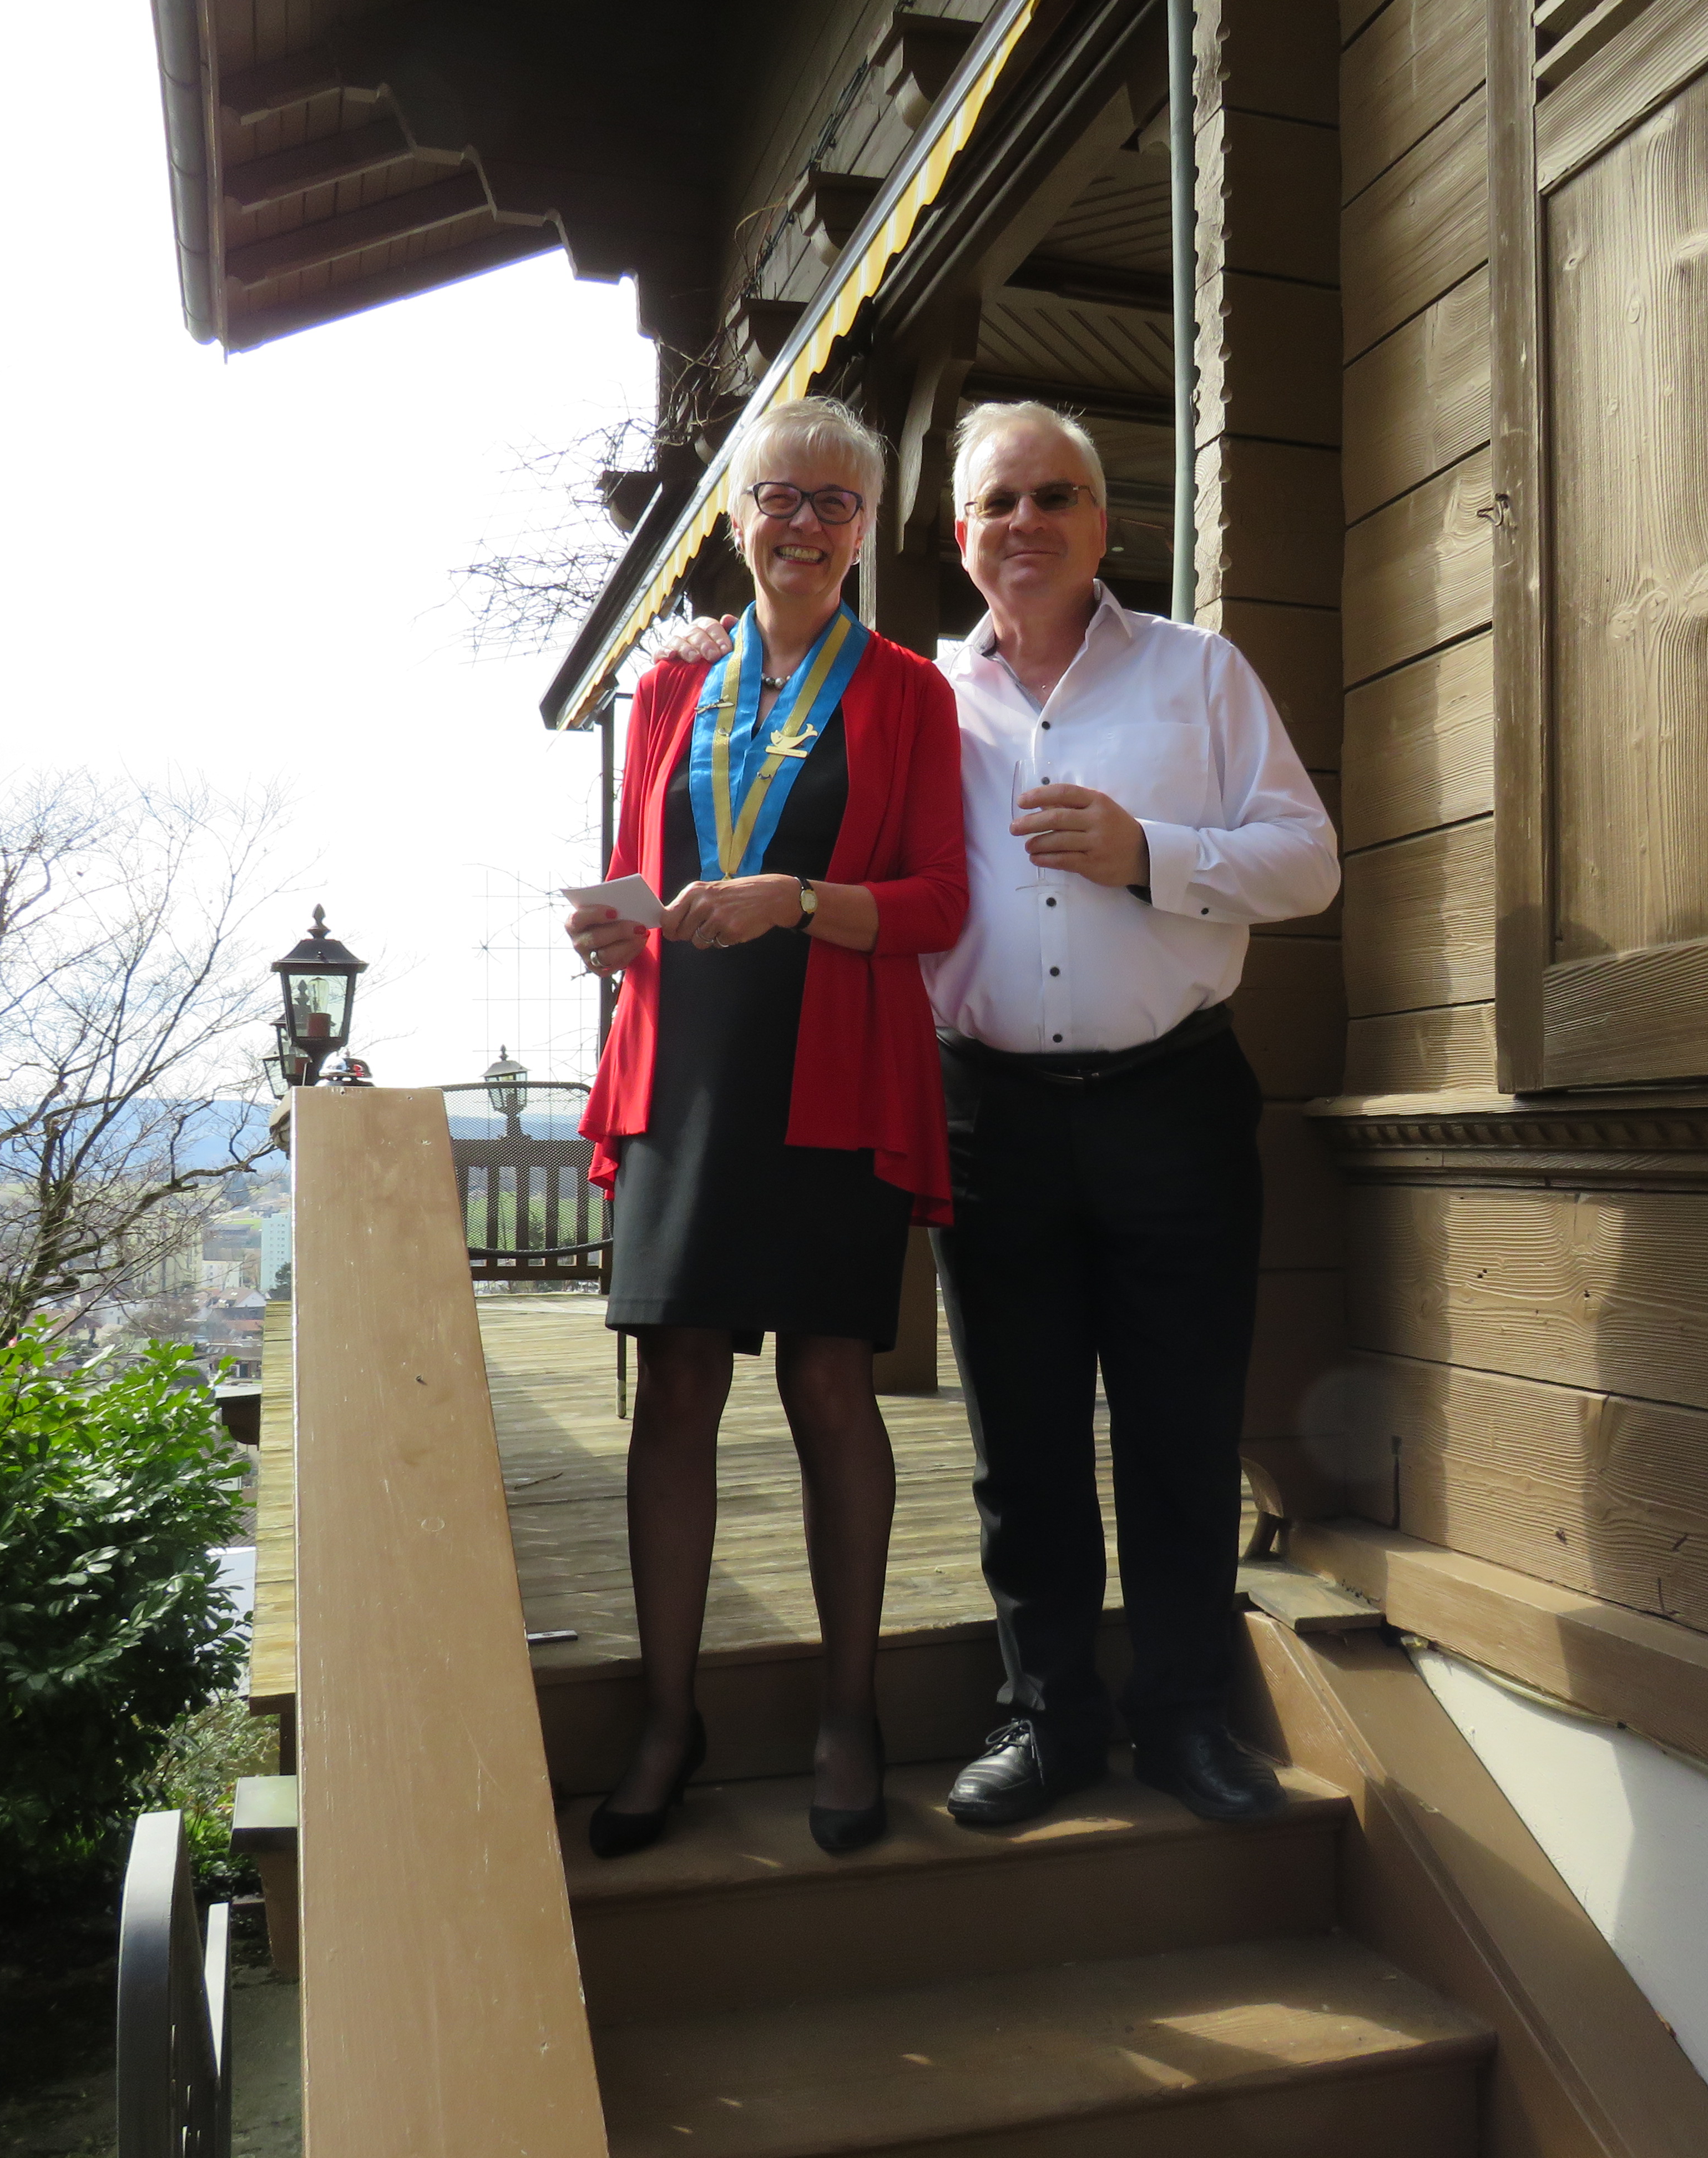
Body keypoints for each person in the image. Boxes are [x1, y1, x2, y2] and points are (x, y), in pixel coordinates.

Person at [660, 399, 1340, 1829]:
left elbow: (1308, 863)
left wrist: (1153, 852)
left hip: (1173, 1099)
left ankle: (1186, 1720)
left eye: (1055, 495)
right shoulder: (912, 693)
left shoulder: (1200, 672)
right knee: (1019, 1439)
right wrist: (706, 647)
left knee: (1178, 1426)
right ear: (959, 534)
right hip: (990, 1106)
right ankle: (1046, 1719)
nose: (1026, 523)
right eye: (998, 504)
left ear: (1103, 519)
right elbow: (789, 755)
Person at [569, 395, 967, 1860]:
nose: (804, 524)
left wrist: (794, 899)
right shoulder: (672, 688)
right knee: (676, 1386)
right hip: (683, 1068)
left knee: (829, 1385)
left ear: (864, 532)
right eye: (780, 499)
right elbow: (640, 876)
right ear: (736, 519)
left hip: (833, 1067)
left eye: (834, 504)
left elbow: (940, 903)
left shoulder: (911, 694)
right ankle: (667, 1721)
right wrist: (612, 936)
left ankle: (848, 1714)